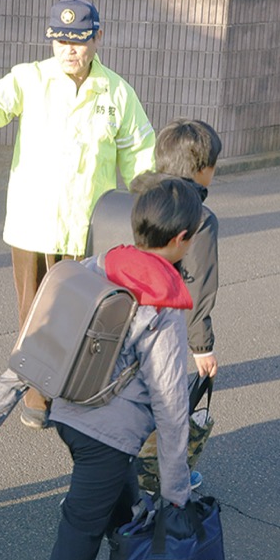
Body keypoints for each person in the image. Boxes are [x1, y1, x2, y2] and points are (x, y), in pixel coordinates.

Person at [11, 176, 200, 560]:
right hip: (106, 436)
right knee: (81, 528)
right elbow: (171, 404)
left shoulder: (102, 265)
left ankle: (129, 554)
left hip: (70, 413)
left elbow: (45, 329)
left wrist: (2, 397)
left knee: (121, 499)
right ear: (181, 239)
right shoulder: (164, 303)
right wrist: (177, 488)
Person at [0, 0, 156, 428]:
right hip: (32, 225)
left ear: (97, 38)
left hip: (86, 230)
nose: (69, 50)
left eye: (79, 41)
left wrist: (153, 207)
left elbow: (141, 155)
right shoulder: (30, 80)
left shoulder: (117, 93)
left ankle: (77, 392)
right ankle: (37, 394)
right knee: (34, 316)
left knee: (85, 317)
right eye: (61, 40)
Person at [87, 119, 222, 491]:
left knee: (110, 404)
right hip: (158, 329)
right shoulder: (199, 219)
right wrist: (202, 347)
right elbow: (197, 285)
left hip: (106, 321)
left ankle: (103, 480)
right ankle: (154, 477)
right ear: (201, 169)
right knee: (162, 402)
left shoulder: (118, 199)